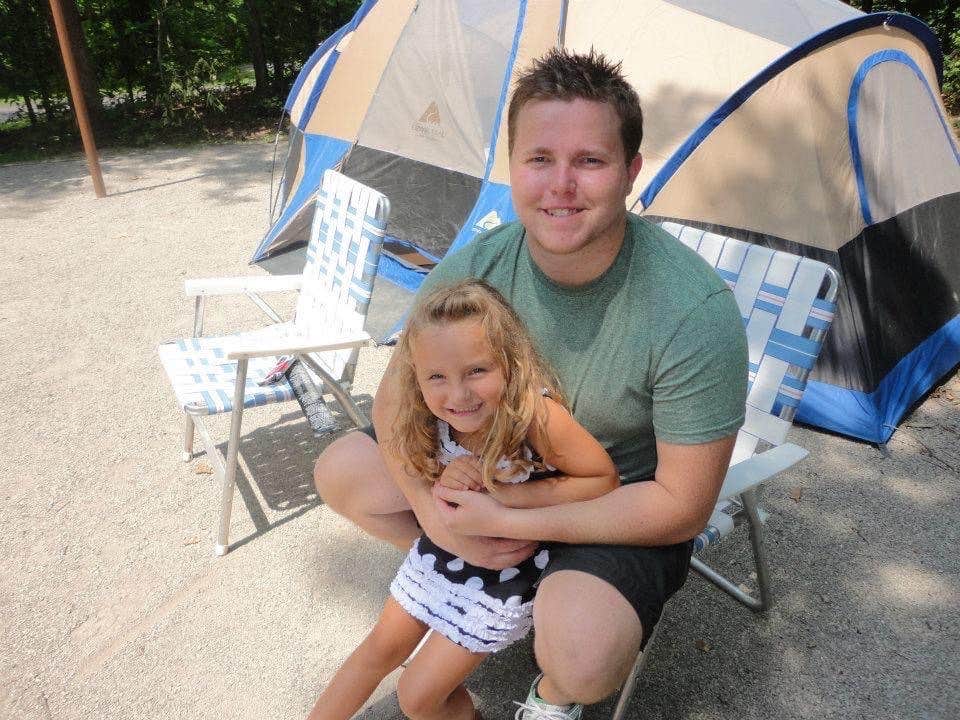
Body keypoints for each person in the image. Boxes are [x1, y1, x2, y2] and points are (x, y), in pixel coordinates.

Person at [313, 48, 748, 719]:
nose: (561, 185)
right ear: (512, 168)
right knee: (343, 468)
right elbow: (396, 396)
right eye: (540, 159)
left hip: (611, 507)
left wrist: (512, 513)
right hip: (487, 474)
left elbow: (681, 505)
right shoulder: (476, 266)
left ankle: (550, 683)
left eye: (590, 161)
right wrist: (436, 512)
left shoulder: (691, 311)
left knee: (581, 652)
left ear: (631, 172)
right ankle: (499, 578)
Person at [307, 280, 618, 720]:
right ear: (416, 377)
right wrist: (448, 480)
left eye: (476, 371)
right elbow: (434, 480)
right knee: (377, 651)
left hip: (505, 572)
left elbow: (602, 479)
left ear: (510, 363)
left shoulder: (534, 414)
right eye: (437, 377)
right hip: (445, 550)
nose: (458, 395)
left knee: (418, 697)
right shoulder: (426, 416)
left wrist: (505, 495)